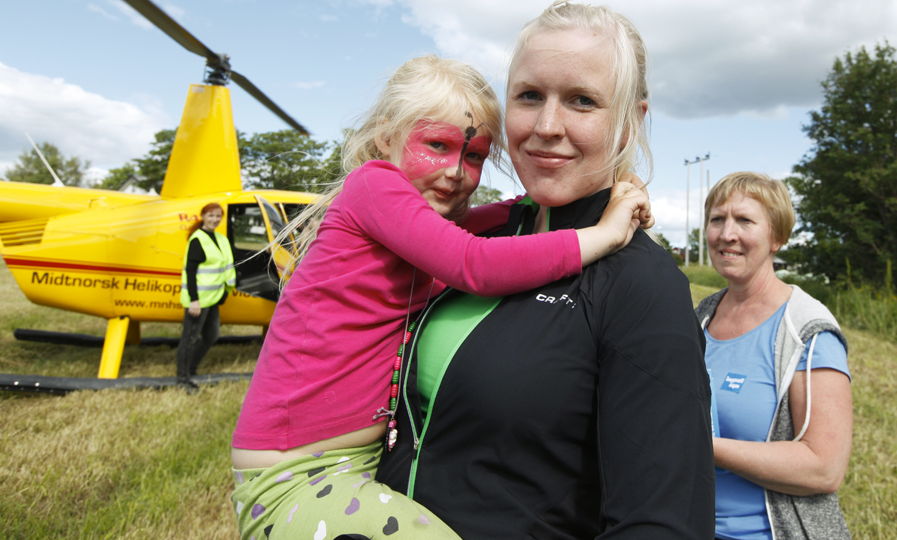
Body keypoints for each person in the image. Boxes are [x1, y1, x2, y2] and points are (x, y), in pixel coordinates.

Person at [228, 55, 651, 540]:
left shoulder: (415, 224)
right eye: (437, 145)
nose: (455, 172)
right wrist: (604, 233)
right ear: (386, 137)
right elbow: (474, 262)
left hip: (354, 465)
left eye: (473, 156)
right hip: (295, 474)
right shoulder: (374, 184)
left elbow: (498, 219)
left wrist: (598, 188)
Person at [377, 2, 715, 539]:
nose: (545, 127)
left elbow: (660, 522)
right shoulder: (476, 236)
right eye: (529, 96)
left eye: (582, 101)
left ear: (630, 122)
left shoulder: (641, 283)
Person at [695, 172, 852, 540]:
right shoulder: (700, 317)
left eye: (745, 220)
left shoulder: (806, 329)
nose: (726, 234)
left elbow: (823, 468)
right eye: (717, 219)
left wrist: (700, 443)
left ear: (776, 238)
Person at [178, 201, 235, 389]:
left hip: (213, 298)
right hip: (198, 301)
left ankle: (191, 368)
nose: (215, 219)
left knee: (212, 335)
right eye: (211, 215)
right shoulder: (198, 239)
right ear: (203, 217)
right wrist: (194, 300)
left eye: (218, 216)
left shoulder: (220, 238)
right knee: (189, 339)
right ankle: (182, 380)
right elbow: (190, 272)